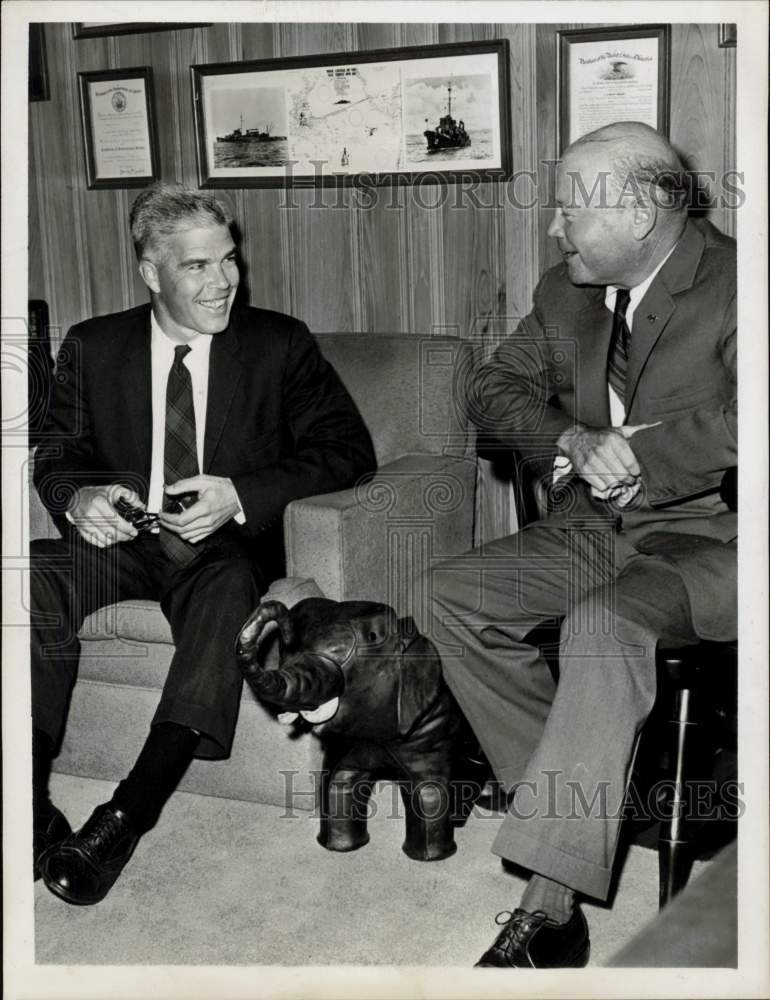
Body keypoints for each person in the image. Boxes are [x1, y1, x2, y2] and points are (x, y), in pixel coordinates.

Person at [428, 122, 736, 967]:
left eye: (569, 209)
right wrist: (571, 441)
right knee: (448, 596)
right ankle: (574, 804)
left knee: (603, 626)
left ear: (638, 213)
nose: (555, 228)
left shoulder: (744, 284)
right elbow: (493, 388)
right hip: (596, 530)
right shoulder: (571, 291)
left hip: (718, 542)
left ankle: (550, 903)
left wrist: (642, 453)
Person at [31, 183, 376, 906]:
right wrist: (80, 497)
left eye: (229, 260)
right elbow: (57, 456)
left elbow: (348, 452)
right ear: (151, 273)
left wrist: (240, 494)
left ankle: (125, 814)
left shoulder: (279, 343)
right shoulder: (94, 345)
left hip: (221, 549)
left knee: (225, 593)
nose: (223, 280)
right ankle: (29, 804)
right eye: (198, 266)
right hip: (126, 537)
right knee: (28, 576)